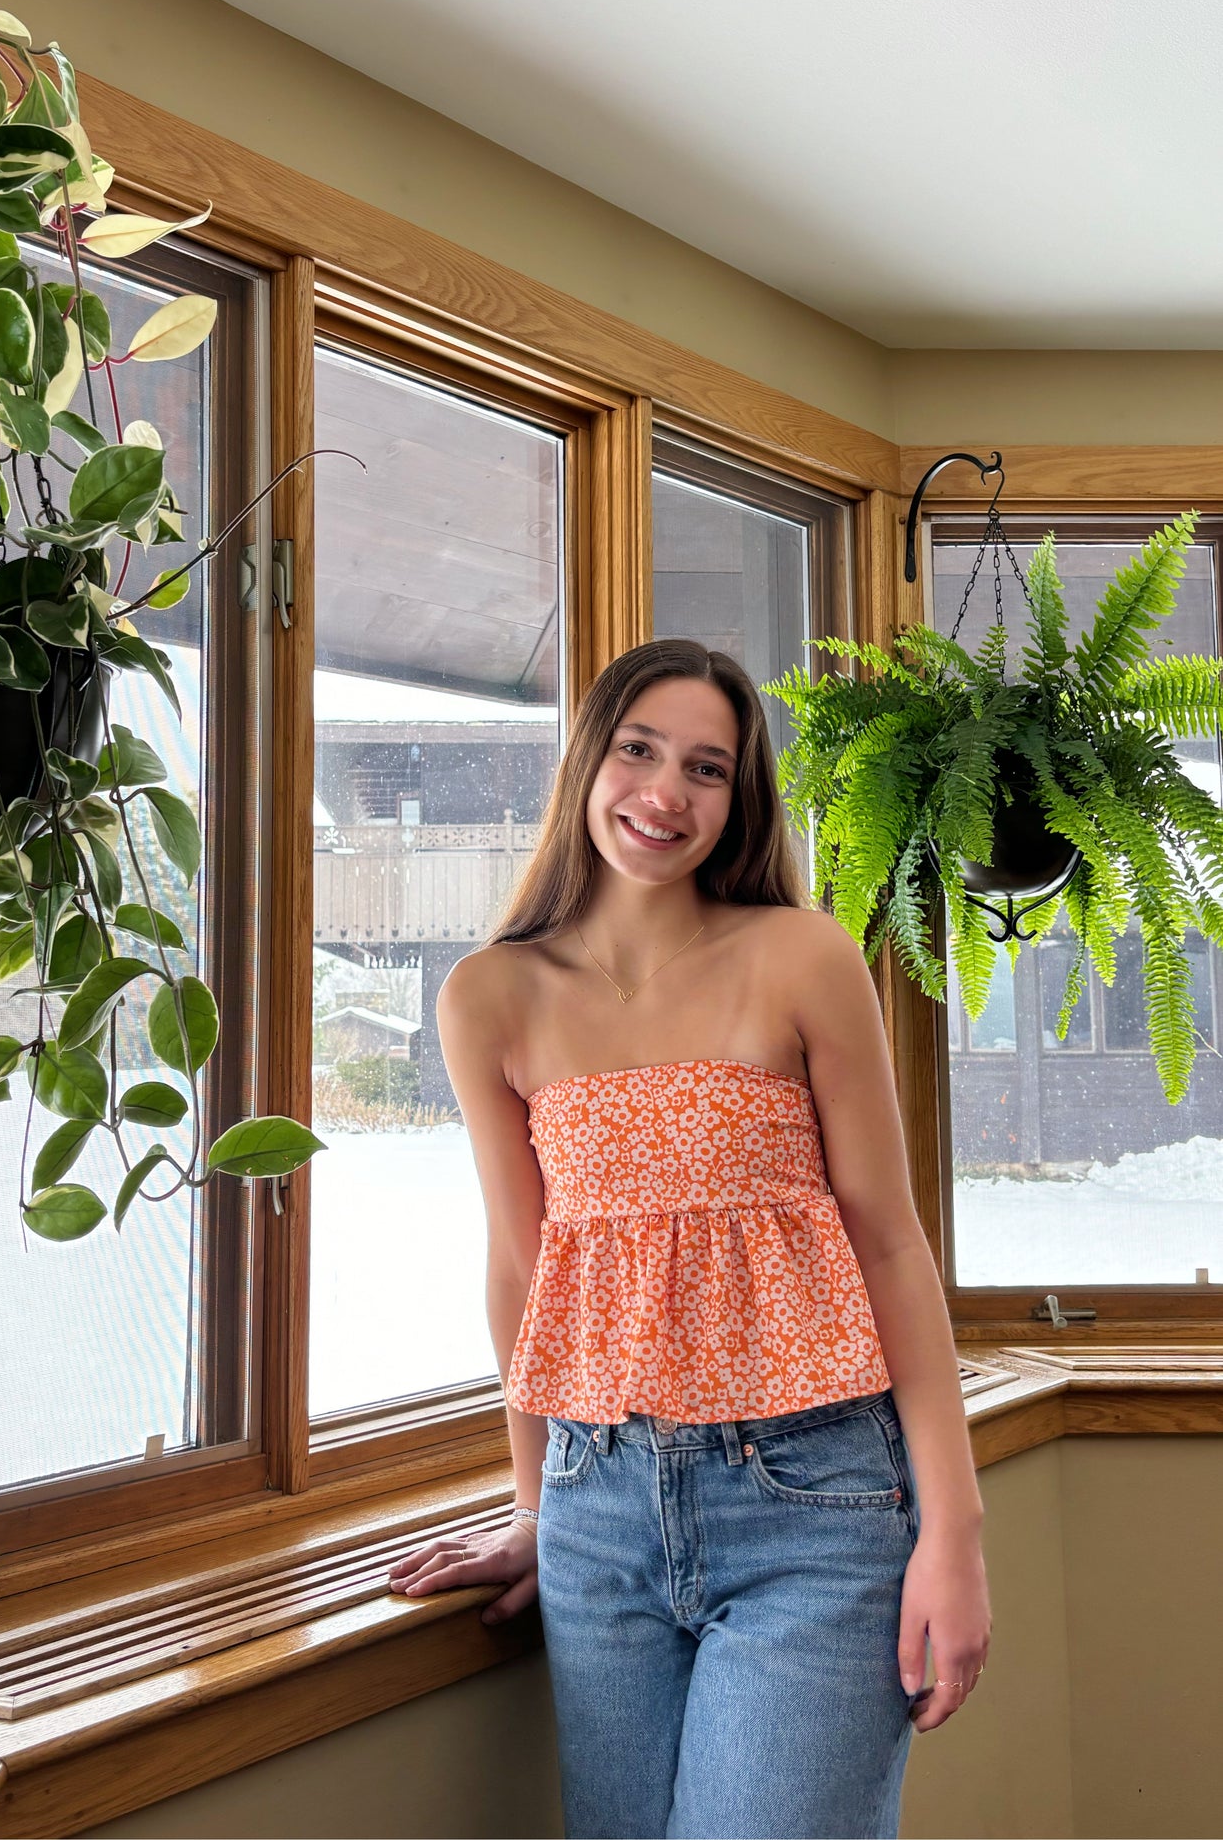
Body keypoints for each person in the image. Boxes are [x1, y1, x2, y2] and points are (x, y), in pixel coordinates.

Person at [389, 638, 991, 1840]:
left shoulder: (800, 956)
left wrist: (954, 1533)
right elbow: (526, 1269)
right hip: (594, 1510)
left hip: (814, 1502)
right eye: (638, 749)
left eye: (706, 767)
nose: (665, 792)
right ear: (588, 759)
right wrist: (530, 1504)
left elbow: (887, 1243)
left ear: (739, 797)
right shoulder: (488, 994)